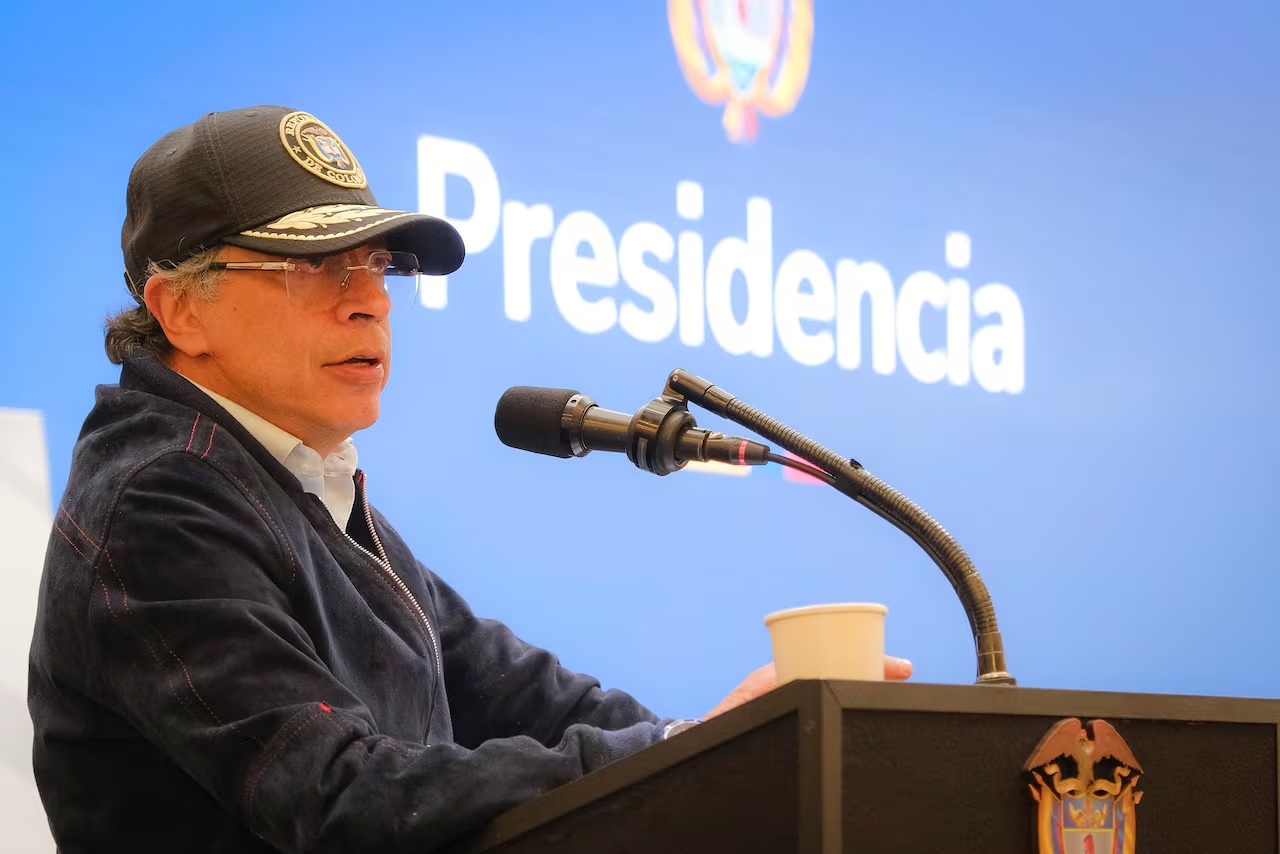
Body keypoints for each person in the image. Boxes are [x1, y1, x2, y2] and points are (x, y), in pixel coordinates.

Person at [28, 105, 911, 853]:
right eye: (311, 266)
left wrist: (720, 747)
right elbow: (337, 793)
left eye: (378, 265)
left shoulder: (291, 483)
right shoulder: (161, 500)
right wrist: (681, 750)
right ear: (181, 309)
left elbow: (518, 693)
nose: (369, 299)